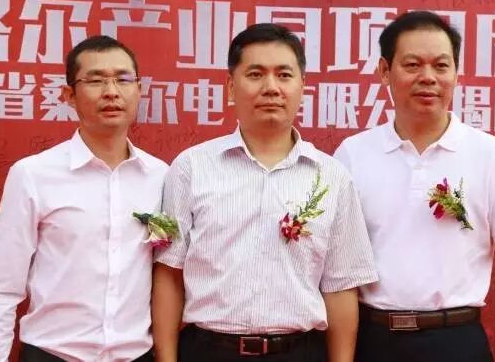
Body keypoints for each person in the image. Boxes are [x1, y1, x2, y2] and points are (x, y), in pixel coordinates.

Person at [152, 23, 377, 362]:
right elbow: (169, 273)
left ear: (302, 87)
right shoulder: (191, 167)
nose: (271, 87)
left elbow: (341, 286)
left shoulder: (332, 176)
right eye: (255, 74)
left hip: (300, 352)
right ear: (231, 87)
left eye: (284, 75)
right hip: (210, 350)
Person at [333, 10, 495, 362]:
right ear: (385, 70)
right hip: (375, 340)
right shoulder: (353, 154)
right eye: (412, 65)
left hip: (457, 341)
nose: (428, 78)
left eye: (441, 66)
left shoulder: (490, 154)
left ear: (456, 73)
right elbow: (339, 270)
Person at [0, 35, 168, 361]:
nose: (111, 92)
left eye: (123, 80)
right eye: (95, 80)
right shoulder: (34, 174)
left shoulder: (161, 176)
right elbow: (1, 289)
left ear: (139, 89)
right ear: (69, 96)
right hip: (53, 354)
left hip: (136, 355)